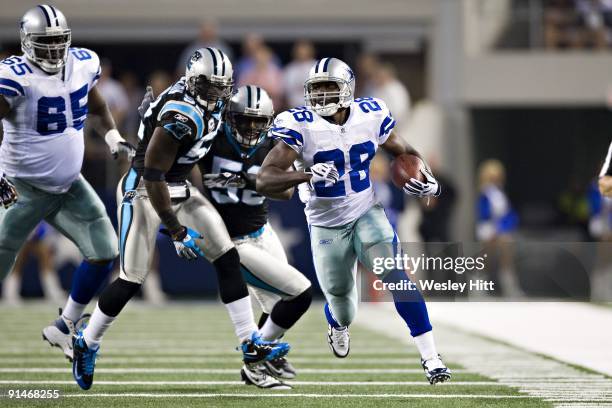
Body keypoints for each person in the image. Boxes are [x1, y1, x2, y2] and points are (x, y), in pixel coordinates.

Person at [72, 48, 289, 391]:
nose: (217, 93)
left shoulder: (211, 103)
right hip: (144, 188)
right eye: (210, 85)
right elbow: (155, 175)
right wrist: (175, 229)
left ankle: (249, 341)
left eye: (222, 86)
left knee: (227, 255)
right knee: (132, 277)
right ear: (192, 81)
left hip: (178, 185)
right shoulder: (181, 115)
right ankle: (88, 340)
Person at [257, 57, 451, 384]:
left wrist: (423, 173)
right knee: (344, 304)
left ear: (347, 88)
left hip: (366, 211)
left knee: (395, 276)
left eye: (328, 88)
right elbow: (264, 179)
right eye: (315, 89)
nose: (319, 96)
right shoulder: (300, 124)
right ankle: (336, 321)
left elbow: (400, 148)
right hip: (325, 223)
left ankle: (431, 358)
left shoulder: (370, 114)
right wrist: (305, 174)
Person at [0, 4, 135, 359]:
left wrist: (113, 139)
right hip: (20, 187)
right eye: (46, 43)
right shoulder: (15, 75)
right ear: (27, 43)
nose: (54, 50)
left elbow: (98, 107)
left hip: (68, 185)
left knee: (105, 250)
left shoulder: (82, 63)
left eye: (59, 42)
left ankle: (64, 326)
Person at [200, 85, 312, 385]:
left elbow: (287, 192)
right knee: (293, 296)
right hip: (229, 240)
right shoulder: (211, 140)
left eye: (258, 121)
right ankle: (256, 361)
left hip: (262, 230)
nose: (251, 127)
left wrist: (254, 180)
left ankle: (264, 355)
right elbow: (185, 175)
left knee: (281, 307)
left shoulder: (273, 148)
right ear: (229, 118)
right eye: (244, 120)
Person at [283, 40, 317, 108]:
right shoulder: (289, 69)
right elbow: (285, 91)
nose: (301, 52)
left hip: (314, 108)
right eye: (299, 50)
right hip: (293, 108)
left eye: (304, 49)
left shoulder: (318, 66)